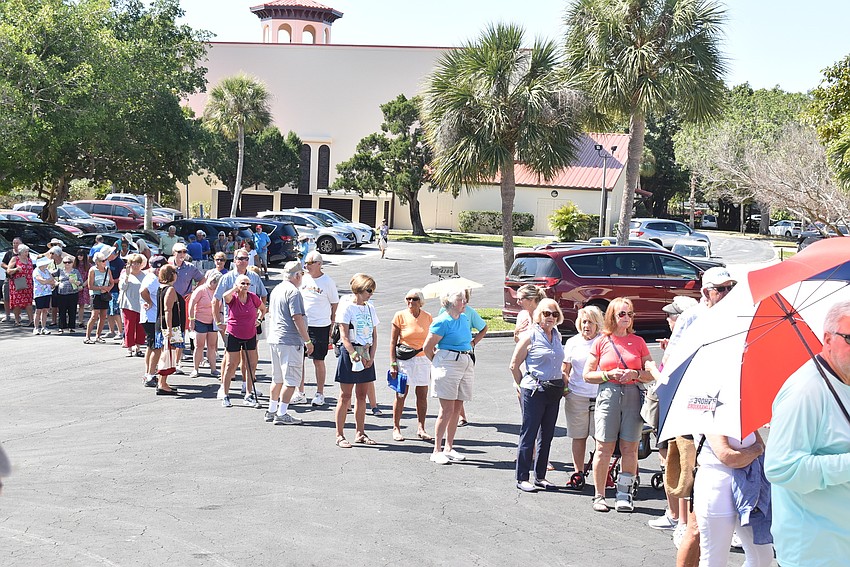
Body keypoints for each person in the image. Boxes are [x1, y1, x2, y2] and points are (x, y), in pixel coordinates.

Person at [765, 299, 850, 566]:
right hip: (817, 553)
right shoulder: (805, 391)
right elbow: (781, 469)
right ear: (828, 339)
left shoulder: (843, 379)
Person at [665, 267, 739, 563]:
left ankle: (709, 525)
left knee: (708, 511)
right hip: (700, 409)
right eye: (721, 289)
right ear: (706, 292)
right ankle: (683, 523)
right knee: (696, 518)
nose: (727, 293)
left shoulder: (737, 316)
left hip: (727, 406)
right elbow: (672, 361)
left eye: (731, 288)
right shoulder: (693, 317)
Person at [583, 297, 654, 512]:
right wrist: (608, 374)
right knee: (603, 447)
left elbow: (650, 372)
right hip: (609, 394)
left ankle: (624, 495)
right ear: (612, 316)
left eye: (630, 314)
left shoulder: (638, 342)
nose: (626, 318)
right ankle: (599, 495)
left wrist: (636, 374)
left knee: (630, 448)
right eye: (622, 314)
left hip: (633, 394)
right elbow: (587, 375)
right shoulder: (601, 341)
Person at [646, 295, 698, 531]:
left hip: (673, 411)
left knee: (673, 460)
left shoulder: (683, 345)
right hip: (678, 410)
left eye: (672, 316)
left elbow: (666, 381)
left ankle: (676, 515)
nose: (668, 319)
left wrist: (651, 369)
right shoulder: (691, 344)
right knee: (679, 460)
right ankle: (678, 515)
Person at [510, 299, 567, 492]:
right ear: (538, 315)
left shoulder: (557, 335)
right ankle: (522, 477)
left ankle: (540, 476)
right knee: (529, 434)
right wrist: (522, 385)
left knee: (547, 435)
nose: (551, 317)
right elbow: (514, 365)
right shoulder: (530, 335)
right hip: (534, 390)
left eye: (554, 314)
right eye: (546, 313)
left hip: (553, 390)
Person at [693, 431, 773, 566]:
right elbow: (728, 457)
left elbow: (760, 445)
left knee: (762, 557)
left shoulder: (742, 418)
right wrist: (755, 450)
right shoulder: (711, 418)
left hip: (748, 488)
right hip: (717, 488)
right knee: (715, 560)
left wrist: (753, 451)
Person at [423, 289, 474, 464]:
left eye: (464, 299)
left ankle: (449, 447)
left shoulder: (464, 318)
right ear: (450, 303)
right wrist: (438, 362)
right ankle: (436, 450)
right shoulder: (442, 321)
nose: (464, 302)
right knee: (446, 410)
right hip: (448, 362)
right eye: (461, 300)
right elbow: (427, 348)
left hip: (465, 361)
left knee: (457, 408)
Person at [334, 273, 379, 448]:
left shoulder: (370, 308)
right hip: (351, 352)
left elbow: (374, 335)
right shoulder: (347, 308)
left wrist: (371, 356)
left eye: (372, 290)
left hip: (366, 351)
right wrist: (353, 354)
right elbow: (344, 335)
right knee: (345, 396)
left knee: (362, 395)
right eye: (369, 290)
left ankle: (360, 432)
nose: (371, 294)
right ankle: (339, 435)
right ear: (359, 290)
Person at [265, 261, 313, 425]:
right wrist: (307, 340)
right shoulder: (293, 292)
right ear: (297, 275)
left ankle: (272, 410)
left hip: (275, 338)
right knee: (291, 380)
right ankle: (281, 413)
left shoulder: (277, 289)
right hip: (289, 340)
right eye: (301, 274)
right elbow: (297, 317)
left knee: (277, 378)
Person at [562, 305, 605, 487]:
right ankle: (578, 472)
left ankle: (603, 474)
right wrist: (566, 390)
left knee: (601, 439)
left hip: (600, 396)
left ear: (598, 324)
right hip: (577, 396)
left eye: (591, 322)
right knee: (578, 437)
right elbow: (565, 368)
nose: (587, 326)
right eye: (584, 322)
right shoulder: (573, 342)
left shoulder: (604, 341)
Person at [389, 288, 434, 442]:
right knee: (401, 394)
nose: (410, 301)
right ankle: (396, 427)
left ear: (420, 302)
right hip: (404, 359)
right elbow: (393, 342)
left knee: (422, 395)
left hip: (423, 359)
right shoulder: (400, 316)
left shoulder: (428, 317)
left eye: (414, 299)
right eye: (408, 298)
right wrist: (393, 363)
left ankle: (421, 428)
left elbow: (432, 339)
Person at [298, 251, 339, 407]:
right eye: (305, 263)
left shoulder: (328, 282)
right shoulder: (303, 278)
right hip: (303, 324)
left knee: (318, 360)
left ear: (319, 264)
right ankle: (300, 392)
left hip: (320, 325)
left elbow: (335, 304)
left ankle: (319, 393)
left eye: (310, 263)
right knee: (299, 359)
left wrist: (332, 324)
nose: (306, 266)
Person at [219, 274, 266, 408]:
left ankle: (248, 394)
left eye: (247, 284)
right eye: (243, 283)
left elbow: (263, 309)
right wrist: (235, 288)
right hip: (234, 334)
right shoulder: (233, 297)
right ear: (237, 285)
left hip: (250, 334)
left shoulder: (252, 297)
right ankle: (225, 394)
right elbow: (225, 296)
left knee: (251, 364)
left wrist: (259, 319)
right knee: (231, 364)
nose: (245, 286)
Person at [154, 264, 184, 395]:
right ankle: (162, 384)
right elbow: (168, 310)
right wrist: (170, 329)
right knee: (167, 354)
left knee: (165, 353)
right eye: (175, 272)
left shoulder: (160, 288)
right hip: (168, 326)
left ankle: (163, 382)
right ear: (171, 275)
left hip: (160, 325)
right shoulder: (170, 289)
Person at [187, 269, 222, 378]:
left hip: (213, 321)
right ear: (212, 281)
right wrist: (191, 319)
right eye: (215, 284)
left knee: (212, 345)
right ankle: (195, 369)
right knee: (199, 346)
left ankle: (213, 369)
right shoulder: (201, 290)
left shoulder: (218, 291)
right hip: (200, 320)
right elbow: (191, 304)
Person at [140, 256, 168, 388]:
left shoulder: (152, 277)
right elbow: (143, 291)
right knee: (156, 347)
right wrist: (149, 302)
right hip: (151, 318)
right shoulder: (152, 279)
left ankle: (148, 373)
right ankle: (150, 375)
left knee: (151, 346)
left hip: (151, 317)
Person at [118, 254, 147, 357]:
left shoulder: (144, 275)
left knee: (140, 327)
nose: (136, 265)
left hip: (141, 305)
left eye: (138, 263)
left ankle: (138, 348)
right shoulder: (125, 274)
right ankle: (129, 348)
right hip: (128, 304)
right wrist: (126, 276)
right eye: (133, 263)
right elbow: (122, 287)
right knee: (129, 327)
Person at [84, 251, 113, 343]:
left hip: (105, 295)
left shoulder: (107, 270)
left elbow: (112, 282)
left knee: (103, 316)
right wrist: (101, 288)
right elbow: (90, 286)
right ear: (97, 262)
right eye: (102, 261)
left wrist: (107, 289)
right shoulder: (93, 270)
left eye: (105, 260)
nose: (105, 262)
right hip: (95, 295)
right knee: (94, 315)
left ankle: (98, 336)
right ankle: (87, 337)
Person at [5, 243, 35, 327]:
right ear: (21, 252)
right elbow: (8, 271)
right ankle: (17, 321)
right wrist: (16, 269)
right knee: (17, 303)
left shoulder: (29, 260)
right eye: (25, 252)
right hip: (18, 283)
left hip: (28, 284)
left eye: (27, 251)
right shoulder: (15, 259)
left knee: (29, 302)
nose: (27, 253)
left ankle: (31, 321)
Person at [53, 253, 83, 334]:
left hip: (73, 293)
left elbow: (80, 282)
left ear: (72, 263)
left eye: (69, 262)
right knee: (62, 310)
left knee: (72, 310)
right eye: (65, 262)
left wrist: (76, 282)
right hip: (62, 293)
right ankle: (61, 327)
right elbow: (50, 274)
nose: (67, 264)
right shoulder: (60, 270)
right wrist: (55, 282)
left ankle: (71, 327)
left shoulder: (75, 271)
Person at [104, 246, 125, 342]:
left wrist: (112, 281)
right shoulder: (107, 262)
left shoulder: (119, 263)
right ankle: (111, 330)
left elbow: (122, 277)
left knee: (116, 311)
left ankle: (120, 331)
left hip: (116, 290)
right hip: (108, 289)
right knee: (109, 312)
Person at [1, 237, 23, 323]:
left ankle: (18, 316)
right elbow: (2, 264)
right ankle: (7, 315)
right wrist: (10, 268)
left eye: (17, 243)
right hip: (9, 278)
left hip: (19, 279)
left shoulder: (24, 253)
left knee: (18, 298)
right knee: (6, 297)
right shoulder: (9, 253)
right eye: (14, 243)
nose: (15, 245)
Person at [32, 257, 56, 335]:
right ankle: (36, 328)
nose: (47, 264)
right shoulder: (36, 271)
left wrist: (47, 281)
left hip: (47, 293)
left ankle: (43, 327)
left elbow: (52, 280)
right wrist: (48, 281)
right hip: (39, 294)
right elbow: (42, 281)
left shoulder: (46, 271)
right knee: (38, 310)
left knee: (45, 310)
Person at [74, 250, 91, 329]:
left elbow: (90, 277)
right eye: (78, 255)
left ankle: (80, 321)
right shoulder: (75, 265)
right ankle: (72, 321)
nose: (79, 257)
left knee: (81, 305)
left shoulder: (88, 266)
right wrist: (76, 284)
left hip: (84, 286)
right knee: (73, 304)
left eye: (81, 255)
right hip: (74, 286)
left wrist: (83, 285)